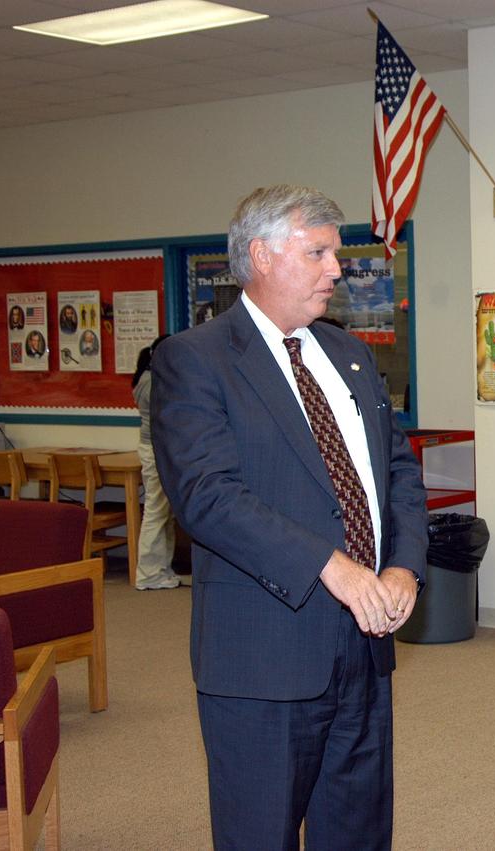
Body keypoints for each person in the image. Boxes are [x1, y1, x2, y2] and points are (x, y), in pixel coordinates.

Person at [151, 185, 429, 851]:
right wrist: (331, 566)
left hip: (365, 647)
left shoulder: (350, 354)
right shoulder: (196, 360)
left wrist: (404, 567)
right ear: (262, 256)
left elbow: (398, 472)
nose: (338, 268)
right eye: (320, 252)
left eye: (335, 252)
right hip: (263, 657)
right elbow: (208, 498)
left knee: (359, 831)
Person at [131, 336, 181, 591]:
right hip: (156, 450)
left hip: (154, 448)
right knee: (156, 511)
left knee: (163, 512)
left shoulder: (146, 378)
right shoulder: (152, 381)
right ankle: (148, 573)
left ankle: (161, 569)